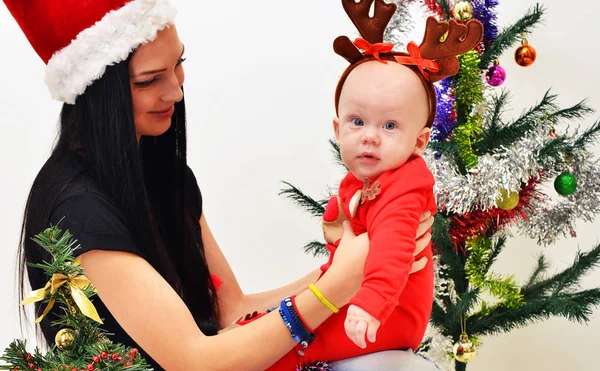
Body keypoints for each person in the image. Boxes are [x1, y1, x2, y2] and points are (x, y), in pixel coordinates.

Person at [4, 1, 434, 370]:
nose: (175, 89)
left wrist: (348, 268)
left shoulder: (165, 176)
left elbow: (231, 311)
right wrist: (335, 288)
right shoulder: (79, 212)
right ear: (98, 92)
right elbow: (194, 361)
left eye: (179, 64)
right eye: (149, 80)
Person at [236, 2, 483, 370]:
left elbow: (395, 249)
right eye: (357, 121)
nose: (370, 138)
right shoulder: (365, 177)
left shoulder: (406, 186)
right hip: (361, 296)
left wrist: (370, 304)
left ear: (419, 142)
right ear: (337, 130)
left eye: (389, 126)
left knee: (291, 346)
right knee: (268, 330)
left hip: (389, 314)